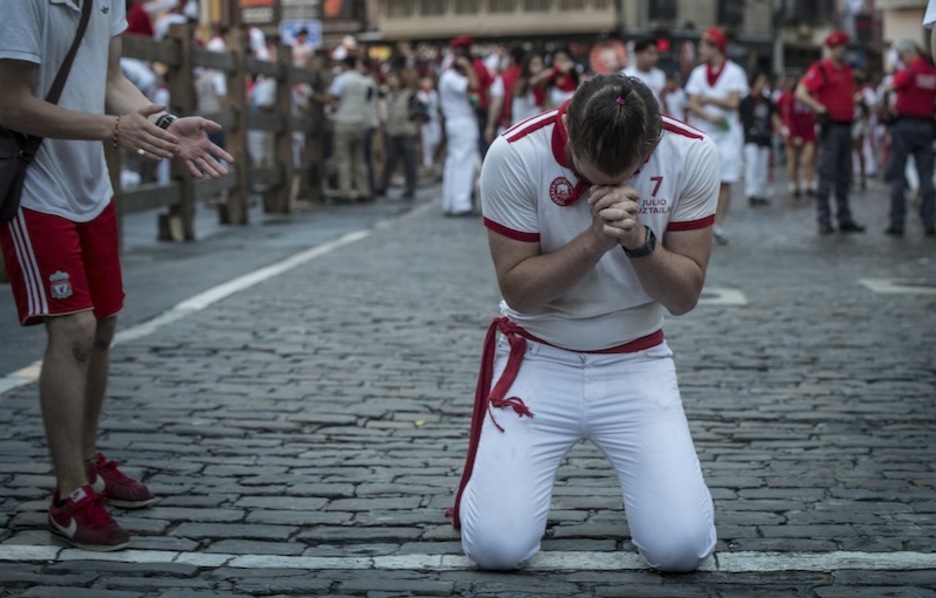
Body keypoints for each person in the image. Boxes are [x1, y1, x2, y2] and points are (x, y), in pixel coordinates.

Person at [449, 74, 719, 573]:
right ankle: (491, 483)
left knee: (680, 550)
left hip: (636, 361)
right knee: (495, 549)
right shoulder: (514, 153)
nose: (607, 188)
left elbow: (683, 297)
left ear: (650, 147)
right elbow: (520, 291)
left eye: (625, 173)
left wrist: (638, 240)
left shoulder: (693, 152)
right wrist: (595, 240)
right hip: (538, 357)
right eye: (594, 173)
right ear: (568, 132)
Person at [0, 0, 233, 551]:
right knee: (75, 329)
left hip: (90, 184)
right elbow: (10, 104)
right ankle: (69, 494)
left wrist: (167, 124)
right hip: (37, 185)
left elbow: (108, 78)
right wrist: (115, 129)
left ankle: (87, 460)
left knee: (103, 326)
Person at [796, 30, 866, 235]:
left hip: (846, 126)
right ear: (830, 48)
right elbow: (801, 92)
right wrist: (819, 107)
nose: (841, 50)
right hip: (832, 126)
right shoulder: (821, 69)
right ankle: (824, 219)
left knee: (845, 174)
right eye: (837, 47)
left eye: (843, 47)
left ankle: (844, 217)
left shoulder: (847, 69)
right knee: (827, 174)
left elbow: (847, 94)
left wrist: (856, 101)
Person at [685, 27, 748, 245]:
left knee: (726, 180)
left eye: (704, 45)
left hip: (728, 134)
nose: (700, 49)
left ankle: (718, 225)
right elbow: (692, 102)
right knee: (700, 178)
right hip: (704, 130)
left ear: (716, 47)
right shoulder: (697, 73)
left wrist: (708, 100)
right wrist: (708, 115)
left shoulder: (734, 72)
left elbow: (734, 102)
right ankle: (700, 221)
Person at [881, 39, 936, 237]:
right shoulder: (931, 72)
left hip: (904, 126)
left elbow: (887, 89)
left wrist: (889, 108)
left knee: (897, 175)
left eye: (902, 56)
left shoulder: (909, 71)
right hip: (927, 126)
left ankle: (897, 223)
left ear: (907, 53)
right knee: (926, 178)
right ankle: (930, 223)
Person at [439, 37, 481, 216]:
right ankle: (461, 203)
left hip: (455, 122)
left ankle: (450, 202)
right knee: (463, 162)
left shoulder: (446, 76)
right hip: (462, 121)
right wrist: (469, 67)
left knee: (454, 162)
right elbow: (475, 84)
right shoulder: (452, 77)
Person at [375, 70, 419, 200]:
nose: (392, 81)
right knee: (391, 160)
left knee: (409, 162)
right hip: (392, 131)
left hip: (407, 131)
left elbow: (417, 113)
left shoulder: (409, 95)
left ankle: (410, 187)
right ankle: (383, 185)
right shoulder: (388, 95)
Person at [740, 71, 782, 206]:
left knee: (762, 166)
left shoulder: (768, 100)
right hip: (750, 137)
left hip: (765, 137)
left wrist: (780, 129)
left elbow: (774, 116)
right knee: (752, 164)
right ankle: (751, 192)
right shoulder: (746, 100)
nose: (763, 84)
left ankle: (759, 192)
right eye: (760, 81)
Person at [776, 74, 817, 199]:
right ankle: (794, 184)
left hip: (808, 130)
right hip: (793, 131)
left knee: (808, 158)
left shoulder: (811, 97)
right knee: (793, 159)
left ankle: (808, 182)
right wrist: (786, 132)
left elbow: (814, 113)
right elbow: (783, 115)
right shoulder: (787, 97)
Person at [621, 37, 665, 106]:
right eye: (650, 53)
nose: (655, 58)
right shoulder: (626, 75)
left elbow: (663, 100)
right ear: (638, 54)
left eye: (656, 53)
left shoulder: (660, 75)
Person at [510, 51, 548, 124]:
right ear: (527, 66)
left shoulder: (542, 84)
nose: (538, 67)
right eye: (534, 64)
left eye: (540, 64)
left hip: (535, 126)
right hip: (520, 125)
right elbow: (529, 83)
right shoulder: (521, 82)